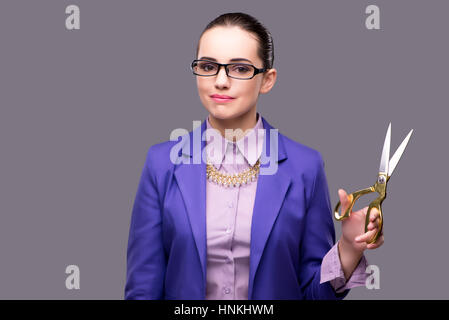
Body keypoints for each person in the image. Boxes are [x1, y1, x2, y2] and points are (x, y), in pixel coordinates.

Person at [124, 12, 384, 300]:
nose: (221, 81)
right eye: (208, 66)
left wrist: (348, 248)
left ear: (267, 80)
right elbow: (143, 290)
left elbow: (313, 296)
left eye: (240, 69)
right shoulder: (161, 164)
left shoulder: (305, 168)